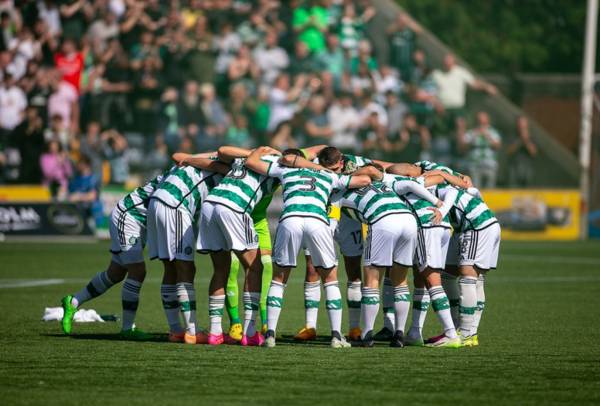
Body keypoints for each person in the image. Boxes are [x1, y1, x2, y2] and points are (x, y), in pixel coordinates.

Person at [245, 146, 375, 349]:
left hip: (291, 219)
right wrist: (346, 171)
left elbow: (251, 162)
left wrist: (258, 151)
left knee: (279, 278)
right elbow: (365, 180)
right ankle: (336, 336)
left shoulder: (284, 170)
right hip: (317, 221)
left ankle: (270, 334)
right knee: (330, 278)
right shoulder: (329, 175)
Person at [60, 172, 167, 340]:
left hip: (137, 221)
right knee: (138, 271)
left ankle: (72, 301)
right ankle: (127, 329)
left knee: (115, 273)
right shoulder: (183, 173)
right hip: (129, 217)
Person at [196, 146, 281, 346]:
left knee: (221, 268)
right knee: (254, 266)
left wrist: (255, 151)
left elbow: (223, 150)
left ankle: (215, 333)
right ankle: (250, 332)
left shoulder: (241, 161)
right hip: (233, 206)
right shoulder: (275, 167)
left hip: (211, 205)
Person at [147, 153, 229, 344]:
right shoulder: (223, 165)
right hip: (175, 203)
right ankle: (192, 331)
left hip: (157, 201)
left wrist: (192, 159)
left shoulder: (202, 158)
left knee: (170, 267)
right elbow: (222, 168)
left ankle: (176, 330)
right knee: (186, 268)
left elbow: (178, 156)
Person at [460, 111, 502, 188]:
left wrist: (487, 135)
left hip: (490, 164)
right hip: (474, 164)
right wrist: (474, 136)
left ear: (487, 120)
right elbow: (462, 147)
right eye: (479, 120)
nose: (481, 123)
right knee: (475, 188)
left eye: (483, 121)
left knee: (490, 188)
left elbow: (498, 146)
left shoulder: (493, 132)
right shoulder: (471, 132)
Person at [507, 115, 537, 187]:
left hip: (527, 166)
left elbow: (533, 152)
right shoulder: (512, 135)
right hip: (514, 166)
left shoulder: (531, 136)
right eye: (520, 123)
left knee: (527, 190)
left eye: (523, 123)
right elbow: (509, 151)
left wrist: (526, 141)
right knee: (513, 188)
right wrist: (520, 140)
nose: (521, 125)